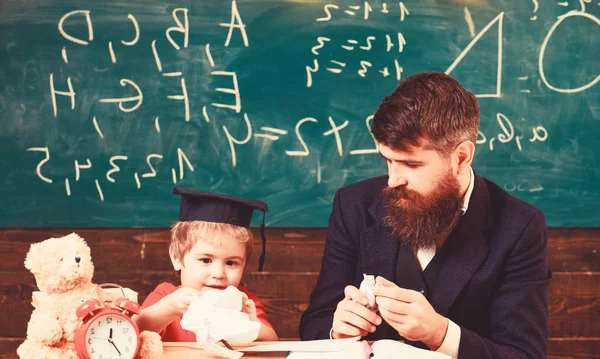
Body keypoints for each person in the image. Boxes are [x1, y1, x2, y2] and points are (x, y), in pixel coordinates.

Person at [299, 72, 551, 358]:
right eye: (388, 160)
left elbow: (524, 354)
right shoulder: (353, 204)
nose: (393, 180)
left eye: (411, 164)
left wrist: (439, 334)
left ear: (461, 157)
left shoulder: (520, 227)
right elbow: (314, 322)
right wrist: (337, 331)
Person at [134, 186, 278, 342]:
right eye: (205, 260)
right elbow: (134, 329)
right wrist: (168, 308)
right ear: (176, 257)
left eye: (231, 263)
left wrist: (252, 325)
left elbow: (273, 342)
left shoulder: (245, 303)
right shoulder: (166, 296)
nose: (218, 274)